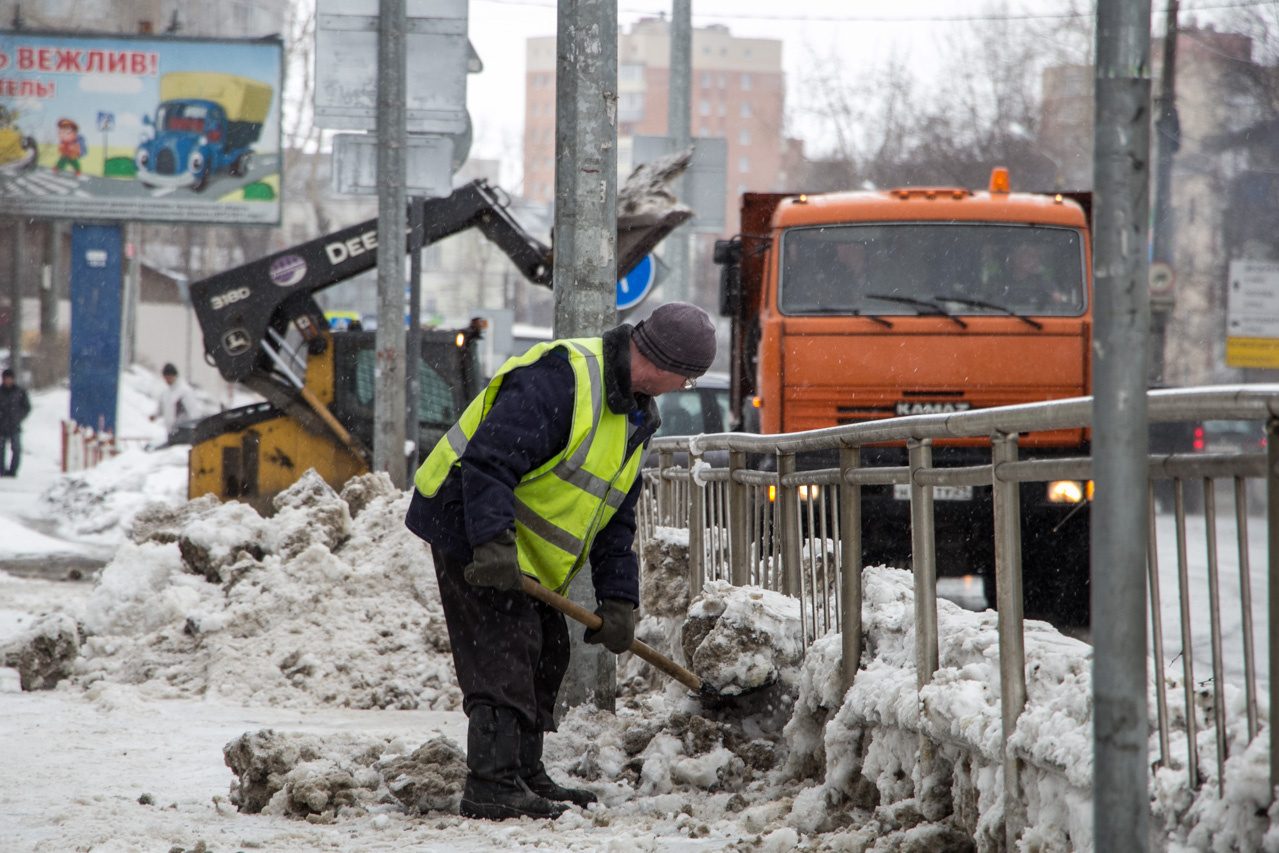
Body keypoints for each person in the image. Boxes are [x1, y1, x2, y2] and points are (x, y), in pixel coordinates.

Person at [404, 302, 717, 821]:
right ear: (665, 364)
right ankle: (492, 786)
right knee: (503, 651)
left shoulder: (635, 416)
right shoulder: (563, 379)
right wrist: (493, 544)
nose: (681, 387)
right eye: (686, 379)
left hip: (515, 542)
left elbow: (615, 518)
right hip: (467, 520)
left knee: (546, 649)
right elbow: (488, 459)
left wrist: (619, 600)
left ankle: (524, 772)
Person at [150, 363, 205, 433]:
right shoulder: (166, 393)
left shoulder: (184, 391)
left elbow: (194, 412)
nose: (167, 380)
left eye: (169, 377)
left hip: (183, 430)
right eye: (166, 378)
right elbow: (161, 408)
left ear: (175, 376)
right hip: (170, 430)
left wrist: (195, 428)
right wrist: (154, 415)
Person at [0, 368, 31, 477]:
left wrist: (18, 417)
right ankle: (1, 471)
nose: (8, 380)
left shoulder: (19, 392)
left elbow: (26, 407)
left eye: (10, 378)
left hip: (14, 425)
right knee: (1, 450)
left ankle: (13, 471)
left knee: (16, 449)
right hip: (1, 426)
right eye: (6, 378)